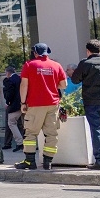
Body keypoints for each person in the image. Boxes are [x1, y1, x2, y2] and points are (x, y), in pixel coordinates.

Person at [15, 43, 67, 171]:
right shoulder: (56, 65)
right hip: (53, 104)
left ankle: (29, 161)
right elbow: (64, 84)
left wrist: (23, 103)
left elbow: (24, 85)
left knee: (31, 134)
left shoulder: (29, 65)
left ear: (35, 52)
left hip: (35, 104)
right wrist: (50, 85)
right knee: (51, 134)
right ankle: (48, 162)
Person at [68, 39, 100, 170]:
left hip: (91, 101)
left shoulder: (85, 63)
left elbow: (75, 79)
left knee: (96, 130)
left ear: (88, 51)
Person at [2, 65, 23, 152]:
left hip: (14, 105)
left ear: (7, 73)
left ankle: (20, 142)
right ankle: (30, 143)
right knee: (25, 125)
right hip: (24, 104)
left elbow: (10, 94)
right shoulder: (20, 79)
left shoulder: (10, 80)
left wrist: (8, 102)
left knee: (11, 123)